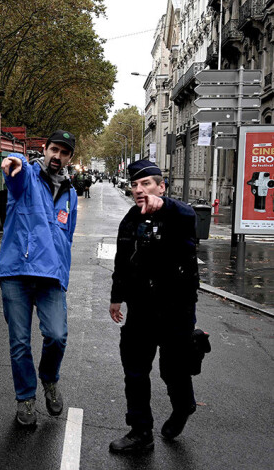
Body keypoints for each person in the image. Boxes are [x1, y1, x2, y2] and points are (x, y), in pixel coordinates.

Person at [108, 160, 200, 453]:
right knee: (135, 369)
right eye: (134, 184)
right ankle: (140, 431)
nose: (139, 189)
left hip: (176, 308)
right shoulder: (130, 219)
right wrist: (116, 297)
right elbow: (122, 262)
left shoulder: (178, 214)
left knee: (173, 370)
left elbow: (190, 219)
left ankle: (183, 406)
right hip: (141, 309)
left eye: (146, 183)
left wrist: (165, 205)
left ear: (161, 186)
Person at [0, 129, 78, 427]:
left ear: (70, 158)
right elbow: (16, 173)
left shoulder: (70, 193)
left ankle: (49, 380)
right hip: (17, 271)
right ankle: (26, 398)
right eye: (53, 149)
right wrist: (15, 160)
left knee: (57, 336)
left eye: (64, 152)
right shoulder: (28, 176)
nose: (57, 156)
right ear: (44, 149)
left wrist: (64, 276)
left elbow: (66, 239)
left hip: (51, 276)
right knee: (19, 342)